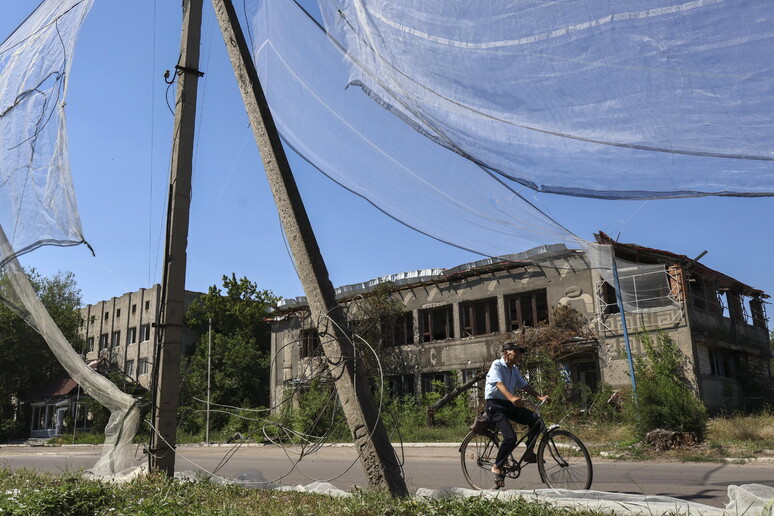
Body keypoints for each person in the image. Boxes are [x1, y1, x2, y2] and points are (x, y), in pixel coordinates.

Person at [485, 341, 550, 488]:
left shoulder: (514, 369)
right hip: (495, 405)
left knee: (536, 420)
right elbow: (498, 383)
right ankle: (497, 466)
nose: (519, 355)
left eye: (520, 352)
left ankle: (529, 452)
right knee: (510, 437)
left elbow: (524, 385)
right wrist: (512, 397)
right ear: (506, 353)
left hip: (508, 404)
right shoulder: (497, 365)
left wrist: (539, 396)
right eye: (517, 352)